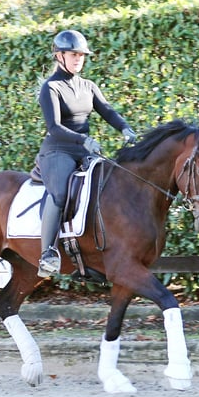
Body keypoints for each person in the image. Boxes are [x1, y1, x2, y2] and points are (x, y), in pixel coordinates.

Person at [36, 29, 137, 277]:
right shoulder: (51, 88)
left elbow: (108, 111)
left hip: (85, 151)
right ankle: (47, 253)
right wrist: (84, 139)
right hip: (58, 150)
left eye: (81, 54)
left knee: (110, 186)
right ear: (59, 56)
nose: (78, 58)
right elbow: (54, 127)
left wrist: (125, 128)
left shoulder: (88, 86)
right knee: (60, 193)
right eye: (73, 54)